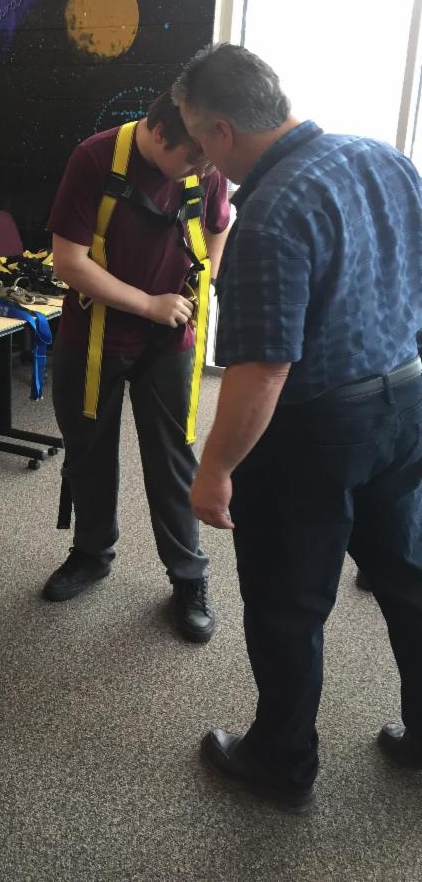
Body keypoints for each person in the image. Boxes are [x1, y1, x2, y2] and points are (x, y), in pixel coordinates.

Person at [174, 42, 422, 812]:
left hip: (313, 429)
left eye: (195, 137)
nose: (199, 158)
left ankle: (281, 760)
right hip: (407, 402)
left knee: (288, 602)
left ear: (221, 131)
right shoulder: (386, 157)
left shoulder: (270, 215)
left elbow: (262, 372)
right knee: (408, 575)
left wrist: (214, 468)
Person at [43, 93, 230, 642]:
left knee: (174, 459)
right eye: (192, 159)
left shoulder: (206, 161)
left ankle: (188, 576)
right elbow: (68, 261)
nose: (202, 170)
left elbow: (219, 223)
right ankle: (92, 553)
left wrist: (207, 278)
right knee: (89, 450)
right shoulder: (96, 159)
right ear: (157, 132)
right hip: (95, 334)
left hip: (171, 340)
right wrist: (148, 303)